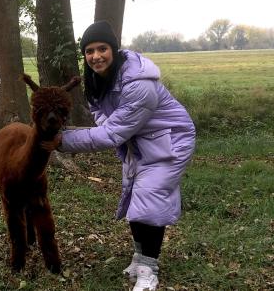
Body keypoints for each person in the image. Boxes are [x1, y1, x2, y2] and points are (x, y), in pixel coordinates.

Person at [43, 21, 195, 291]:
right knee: (135, 200)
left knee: (148, 202)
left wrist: (62, 141)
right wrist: (96, 128)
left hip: (170, 141)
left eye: (102, 48)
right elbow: (102, 116)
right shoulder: (96, 79)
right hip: (139, 143)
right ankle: (139, 259)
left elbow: (112, 133)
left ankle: (149, 271)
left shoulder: (138, 84)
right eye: (89, 51)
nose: (96, 56)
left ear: (114, 49)